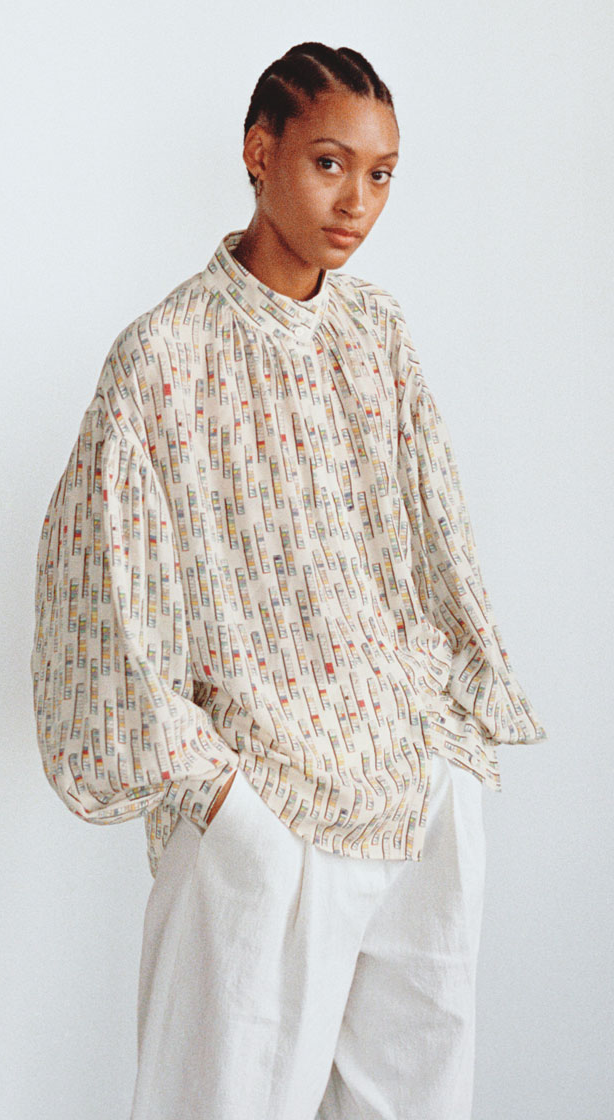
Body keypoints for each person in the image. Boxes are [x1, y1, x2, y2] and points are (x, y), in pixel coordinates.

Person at [30, 41, 547, 1120]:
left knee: (413, 1097)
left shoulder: (377, 333)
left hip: (414, 783)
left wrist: (449, 740)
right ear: (258, 153)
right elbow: (102, 595)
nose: (356, 201)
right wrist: (224, 799)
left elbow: (434, 538)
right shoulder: (164, 355)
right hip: (267, 801)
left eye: (381, 173)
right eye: (328, 162)